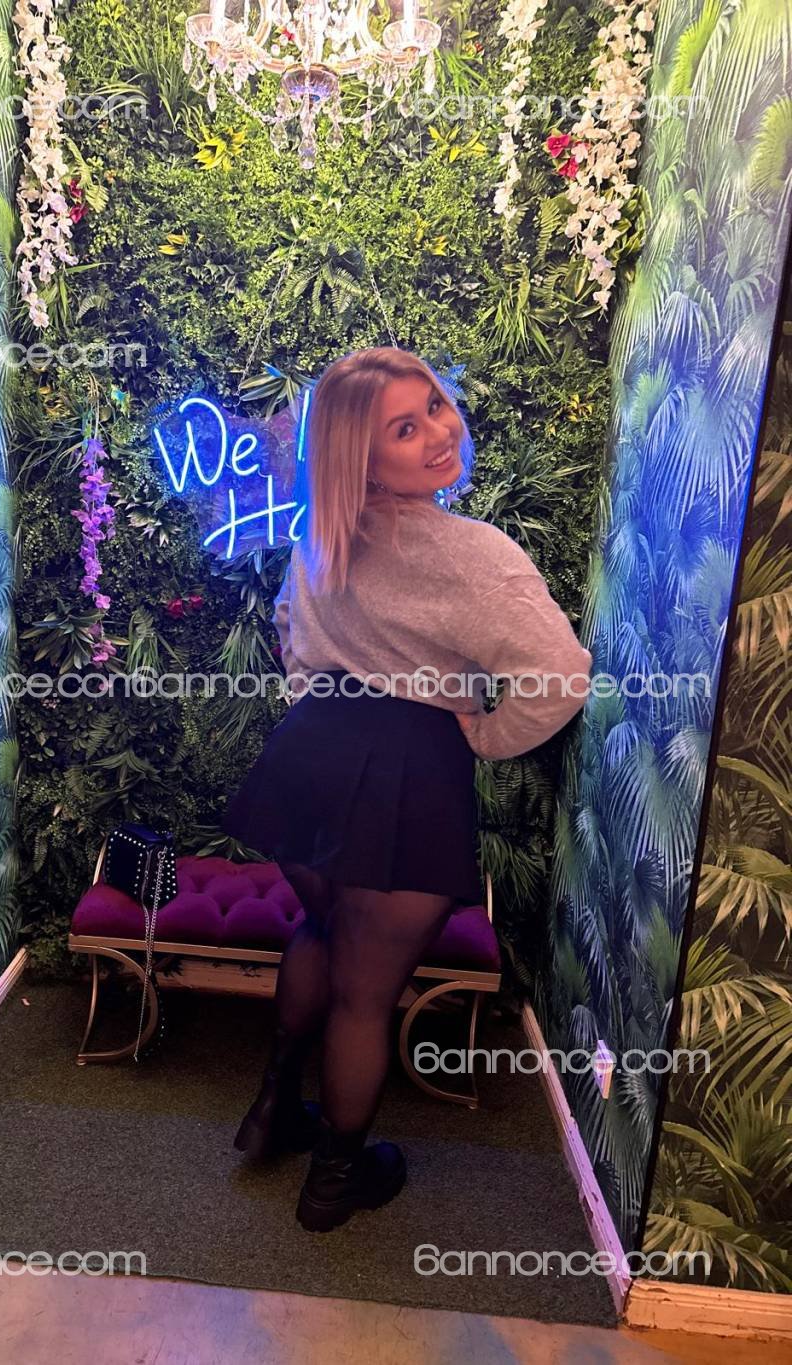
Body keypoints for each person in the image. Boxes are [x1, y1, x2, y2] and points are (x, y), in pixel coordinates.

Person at [221, 346, 593, 1233]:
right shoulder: (474, 554)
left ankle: (273, 1110)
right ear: (360, 457)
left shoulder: (322, 530)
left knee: (322, 930)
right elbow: (560, 677)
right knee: (366, 993)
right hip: (410, 772)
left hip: (308, 760)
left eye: (433, 404)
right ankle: (333, 1182)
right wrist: (484, 734)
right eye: (403, 427)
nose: (438, 431)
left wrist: (316, 707)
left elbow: (289, 630)